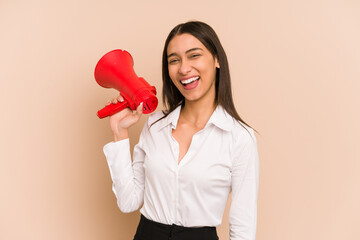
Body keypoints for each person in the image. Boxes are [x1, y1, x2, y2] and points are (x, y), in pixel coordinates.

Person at [102, 21, 260, 240]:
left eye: (194, 55)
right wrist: (119, 133)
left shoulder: (239, 138)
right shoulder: (155, 125)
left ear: (216, 60)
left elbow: (243, 226)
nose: (184, 68)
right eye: (174, 60)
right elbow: (128, 201)